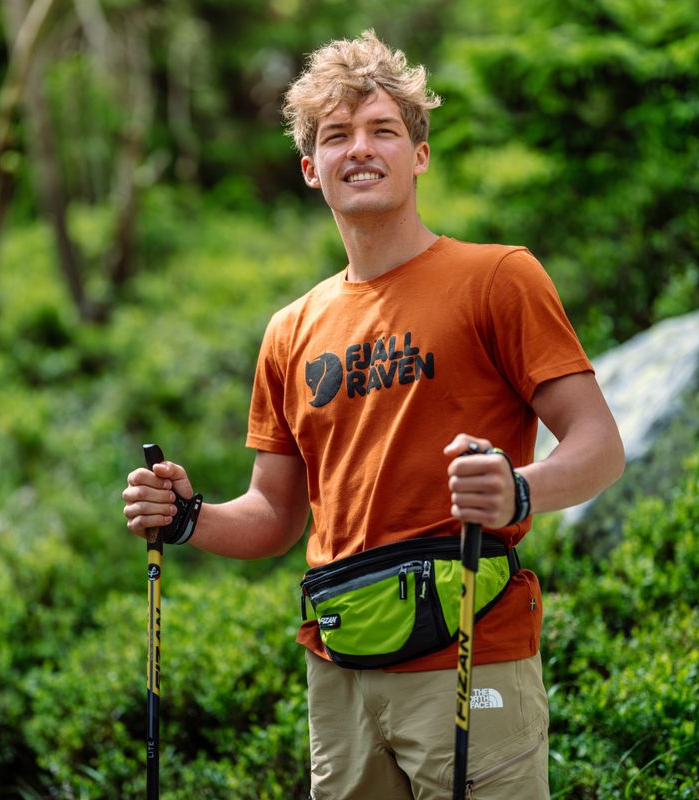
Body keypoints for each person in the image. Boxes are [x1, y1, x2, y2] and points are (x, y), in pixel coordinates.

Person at [123, 30, 624, 800]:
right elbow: (274, 514)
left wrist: (519, 490)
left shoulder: (498, 278)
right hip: (340, 675)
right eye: (336, 136)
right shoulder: (291, 330)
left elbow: (598, 445)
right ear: (309, 168)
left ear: (418, 155)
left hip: (471, 656)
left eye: (383, 129)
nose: (360, 148)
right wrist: (189, 517)